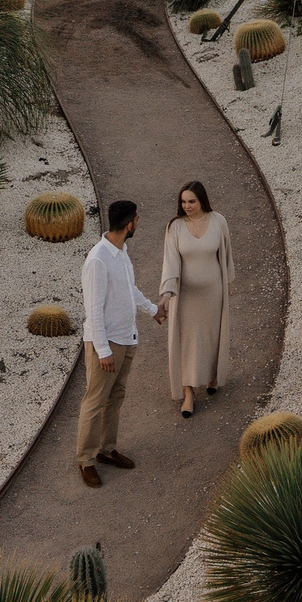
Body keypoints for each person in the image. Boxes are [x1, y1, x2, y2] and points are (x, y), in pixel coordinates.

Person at [77, 198, 165, 488]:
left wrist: (152, 310)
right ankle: (86, 461)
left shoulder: (121, 252)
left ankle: (106, 449)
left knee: (116, 397)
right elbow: (94, 310)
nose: (138, 224)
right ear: (130, 225)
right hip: (108, 344)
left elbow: (130, 291)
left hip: (127, 338)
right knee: (95, 401)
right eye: (137, 220)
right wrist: (103, 351)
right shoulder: (98, 260)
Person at [159, 180, 233, 418]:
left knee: (212, 337)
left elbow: (226, 254)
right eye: (183, 202)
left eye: (191, 201)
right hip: (186, 297)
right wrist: (167, 294)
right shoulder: (175, 227)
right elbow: (170, 262)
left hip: (214, 293)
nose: (187, 206)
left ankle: (212, 377)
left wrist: (227, 284)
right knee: (187, 343)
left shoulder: (219, 221)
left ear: (202, 200)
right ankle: (188, 393)